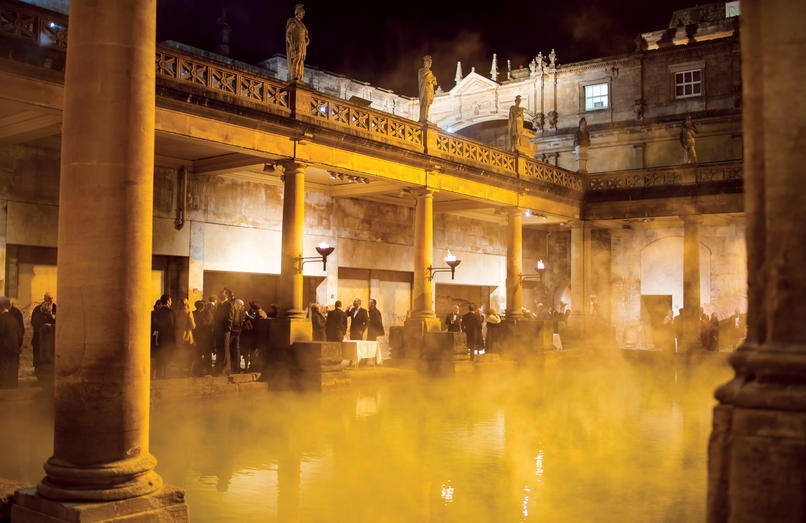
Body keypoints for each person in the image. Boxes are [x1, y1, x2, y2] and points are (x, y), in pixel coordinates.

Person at [31, 292, 56, 380]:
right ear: (44, 298)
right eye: (49, 298)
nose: (51, 300)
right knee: (39, 359)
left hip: (52, 340)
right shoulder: (38, 309)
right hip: (39, 339)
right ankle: (39, 376)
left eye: (52, 298)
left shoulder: (56, 308)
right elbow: (34, 322)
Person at [0, 297, 23, 389]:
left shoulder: (1, 319)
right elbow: (20, 333)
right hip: (14, 346)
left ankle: (3, 386)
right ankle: (13, 385)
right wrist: (18, 345)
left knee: (3, 367)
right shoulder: (14, 319)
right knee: (13, 366)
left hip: (4, 347)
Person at [152, 294, 175, 378]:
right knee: (166, 356)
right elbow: (172, 325)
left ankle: (159, 374)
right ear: (168, 301)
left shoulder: (158, 312)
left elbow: (156, 325)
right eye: (171, 300)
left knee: (160, 356)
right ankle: (165, 374)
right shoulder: (170, 312)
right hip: (168, 337)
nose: (171, 302)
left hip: (160, 337)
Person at [213, 288, 235, 375]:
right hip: (218, 330)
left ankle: (225, 370)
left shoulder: (229, 305)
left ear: (226, 295)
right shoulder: (219, 305)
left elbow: (230, 317)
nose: (220, 293)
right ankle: (219, 368)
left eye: (222, 292)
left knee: (225, 350)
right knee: (219, 349)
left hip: (225, 331)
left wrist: (227, 330)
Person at [285, 3, 309, 82]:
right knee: (296, 59)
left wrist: (307, 41)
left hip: (302, 45)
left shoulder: (302, 25)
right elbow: (289, 34)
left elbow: (305, 36)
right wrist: (291, 45)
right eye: (302, 13)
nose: (303, 15)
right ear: (298, 12)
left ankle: (300, 77)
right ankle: (294, 76)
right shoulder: (293, 21)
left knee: (301, 61)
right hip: (295, 44)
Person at [192, 300, 213, 376]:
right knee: (201, 354)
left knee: (203, 354)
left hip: (204, 337)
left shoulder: (206, 313)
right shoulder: (205, 313)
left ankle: (205, 369)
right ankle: (202, 370)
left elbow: (209, 324)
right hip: (201, 337)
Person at [174, 298, 195, 374]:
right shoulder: (188, 312)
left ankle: (180, 369)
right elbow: (193, 326)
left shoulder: (175, 312)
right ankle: (188, 370)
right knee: (189, 354)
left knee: (180, 354)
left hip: (178, 336)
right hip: (186, 336)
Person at [418, 55, 438, 122]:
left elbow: (435, 83)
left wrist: (433, 80)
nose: (429, 64)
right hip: (425, 88)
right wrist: (431, 78)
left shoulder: (430, 73)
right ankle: (423, 118)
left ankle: (425, 117)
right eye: (428, 62)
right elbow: (422, 79)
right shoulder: (421, 71)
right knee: (425, 102)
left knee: (428, 103)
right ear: (425, 63)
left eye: (430, 63)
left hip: (430, 89)